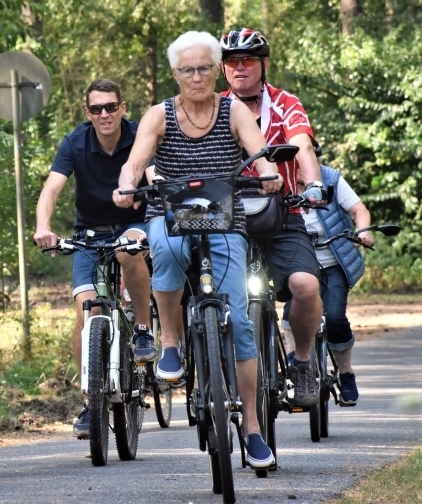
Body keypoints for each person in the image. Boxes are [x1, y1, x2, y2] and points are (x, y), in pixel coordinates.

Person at [114, 31, 283, 469]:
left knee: (241, 322)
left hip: (225, 218)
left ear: (216, 70)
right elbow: (135, 161)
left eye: (204, 68)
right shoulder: (160, 114)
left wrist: (268, 173)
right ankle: (170, 341)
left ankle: (252, 428)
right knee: (166, 248)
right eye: (187, 69)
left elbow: (259, 151)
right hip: (170, 213)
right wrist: (127, 184)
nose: (196, 77)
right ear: (175, 74)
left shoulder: (232, 110)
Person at [34, 78, 155, 440]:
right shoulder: (75, 142)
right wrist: (43, 227)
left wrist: (151, 200)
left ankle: (144, 331)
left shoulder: (138, 136)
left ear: (122, 108)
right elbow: (51, 188)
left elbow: (153, 177)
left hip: (133, 224)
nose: (105, 114)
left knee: (128, 251)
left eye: (111, 107)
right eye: (97, 108)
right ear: (87, 112)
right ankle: (91, 400)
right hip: (90, 232)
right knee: (87, 313)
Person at [219, 27, 327, 407]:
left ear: (264, 64)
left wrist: (314, 184)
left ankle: (302, 362)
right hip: (229, 218)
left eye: (248, 60)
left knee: (306, 286)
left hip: (283, 214)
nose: (239, 67)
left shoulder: (285, 103)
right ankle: (207, 362)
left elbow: (301, 146)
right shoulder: (214, 108)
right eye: (231, 61)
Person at [282, 150, 373, 405]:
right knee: (291, 313)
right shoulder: (280, 182)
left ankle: (346, 373)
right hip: (299, 262)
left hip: (334, 261)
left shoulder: (331, 179)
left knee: (335, 317)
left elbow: (359, 210)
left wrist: (363, 232)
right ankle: (295, 367)